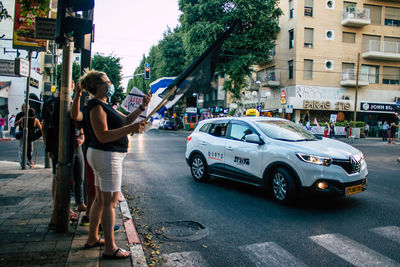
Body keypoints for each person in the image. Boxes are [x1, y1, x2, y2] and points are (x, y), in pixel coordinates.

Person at [78, 71, 150, 259]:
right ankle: (110, 248)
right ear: (98, 85)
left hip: (104, 156)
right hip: (107, 156)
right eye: (107, 81)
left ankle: (93, 237)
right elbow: (103, 135)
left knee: (102, 200)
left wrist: (142, 107)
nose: (110, 84)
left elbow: (125, 120)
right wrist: (131, 129)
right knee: (110, 202)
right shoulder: (96, 107)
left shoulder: (103, 105)